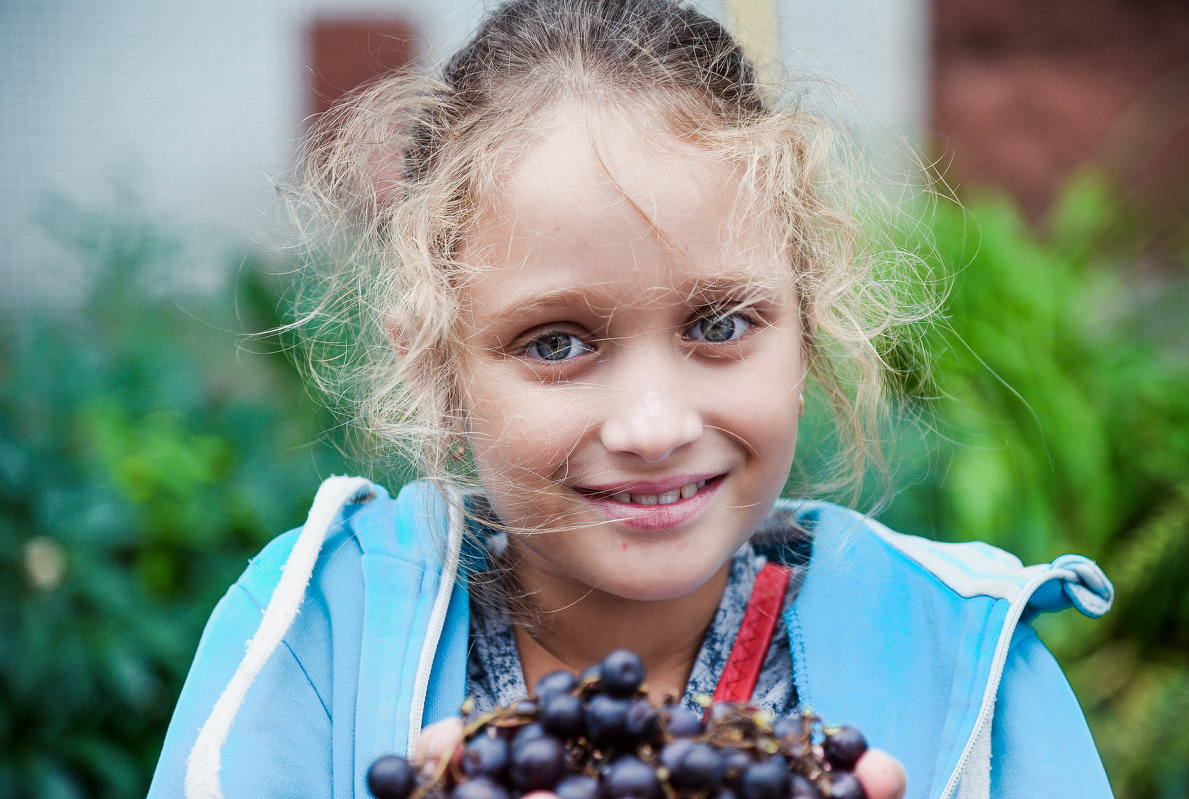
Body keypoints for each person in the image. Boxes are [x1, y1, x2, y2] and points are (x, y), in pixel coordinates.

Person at [148, 1, 1115, 797]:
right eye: (557, 342)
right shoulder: (310, 642)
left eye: (721, 324)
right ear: (435, 367)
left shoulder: (979, 671)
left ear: (807, 321)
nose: (653, 427)